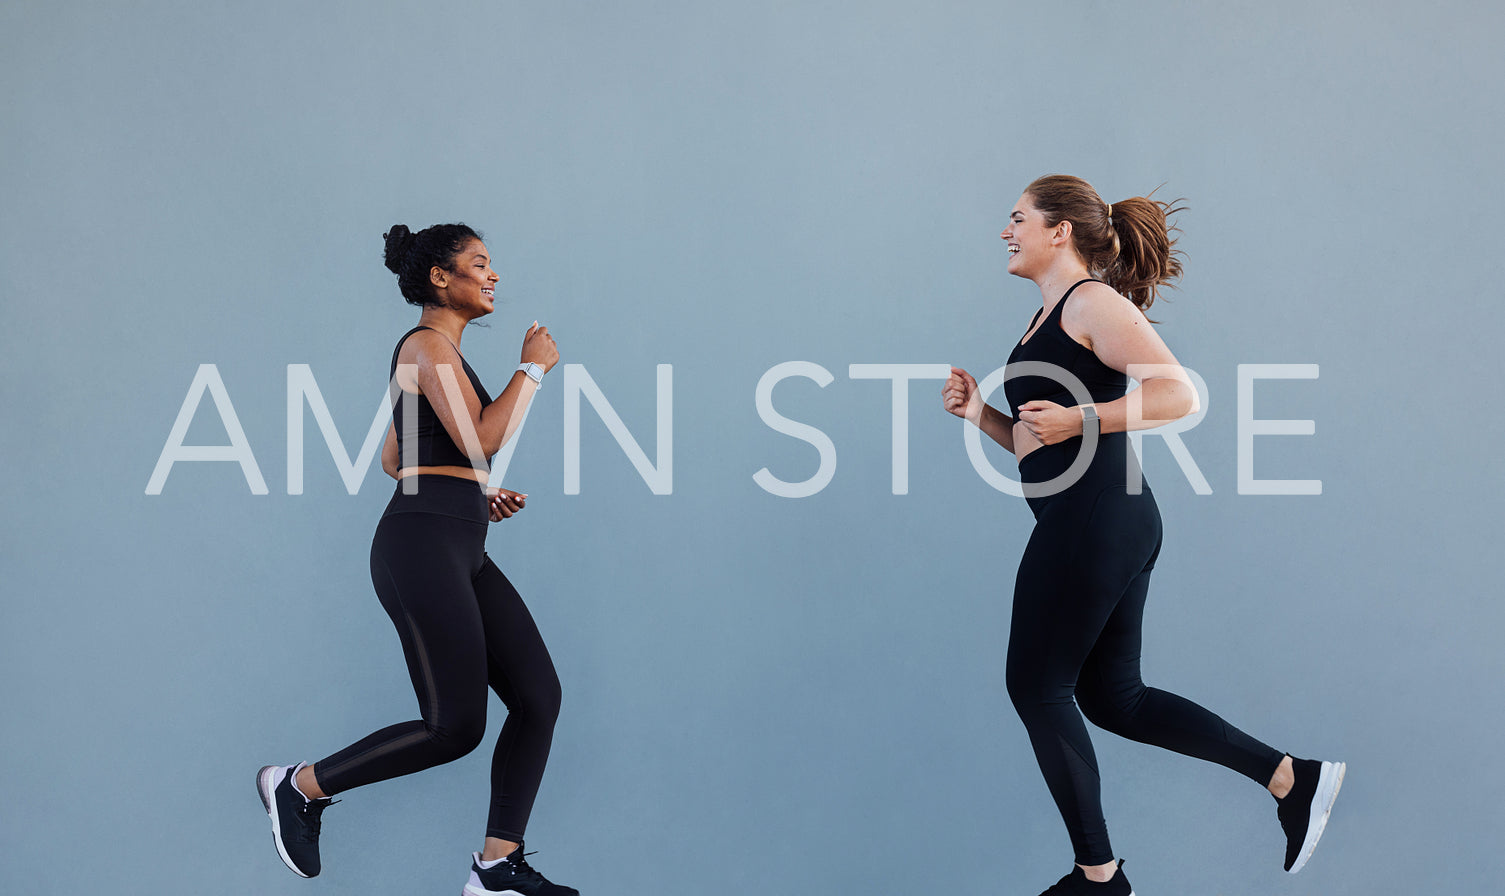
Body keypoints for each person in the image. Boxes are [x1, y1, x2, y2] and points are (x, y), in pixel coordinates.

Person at [942, 175, 1343, 895]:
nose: (1005, 232)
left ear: (1058, 230)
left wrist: (1080, 420)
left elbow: (1177, 392)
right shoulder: (1043, 322)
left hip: (1095, 517)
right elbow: (1043, 445)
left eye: (1017, 219)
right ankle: (1291, 778)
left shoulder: (1090, 303)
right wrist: (982, 417)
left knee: (1036, 688)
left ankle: (1097, 879)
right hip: (1102, 518)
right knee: (1112, 700)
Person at [256, 223, 577, 896]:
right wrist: (533, 370)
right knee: (453, 726)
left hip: (454, 537)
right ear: (440, 276)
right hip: (421, 543)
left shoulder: (436, 357)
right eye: (479, 264)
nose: (493, 277)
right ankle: (298, 785)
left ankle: (495, 867)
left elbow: (395, 459)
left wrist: (469, 491)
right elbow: (485, 440)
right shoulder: (426, 346)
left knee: (538, 695)